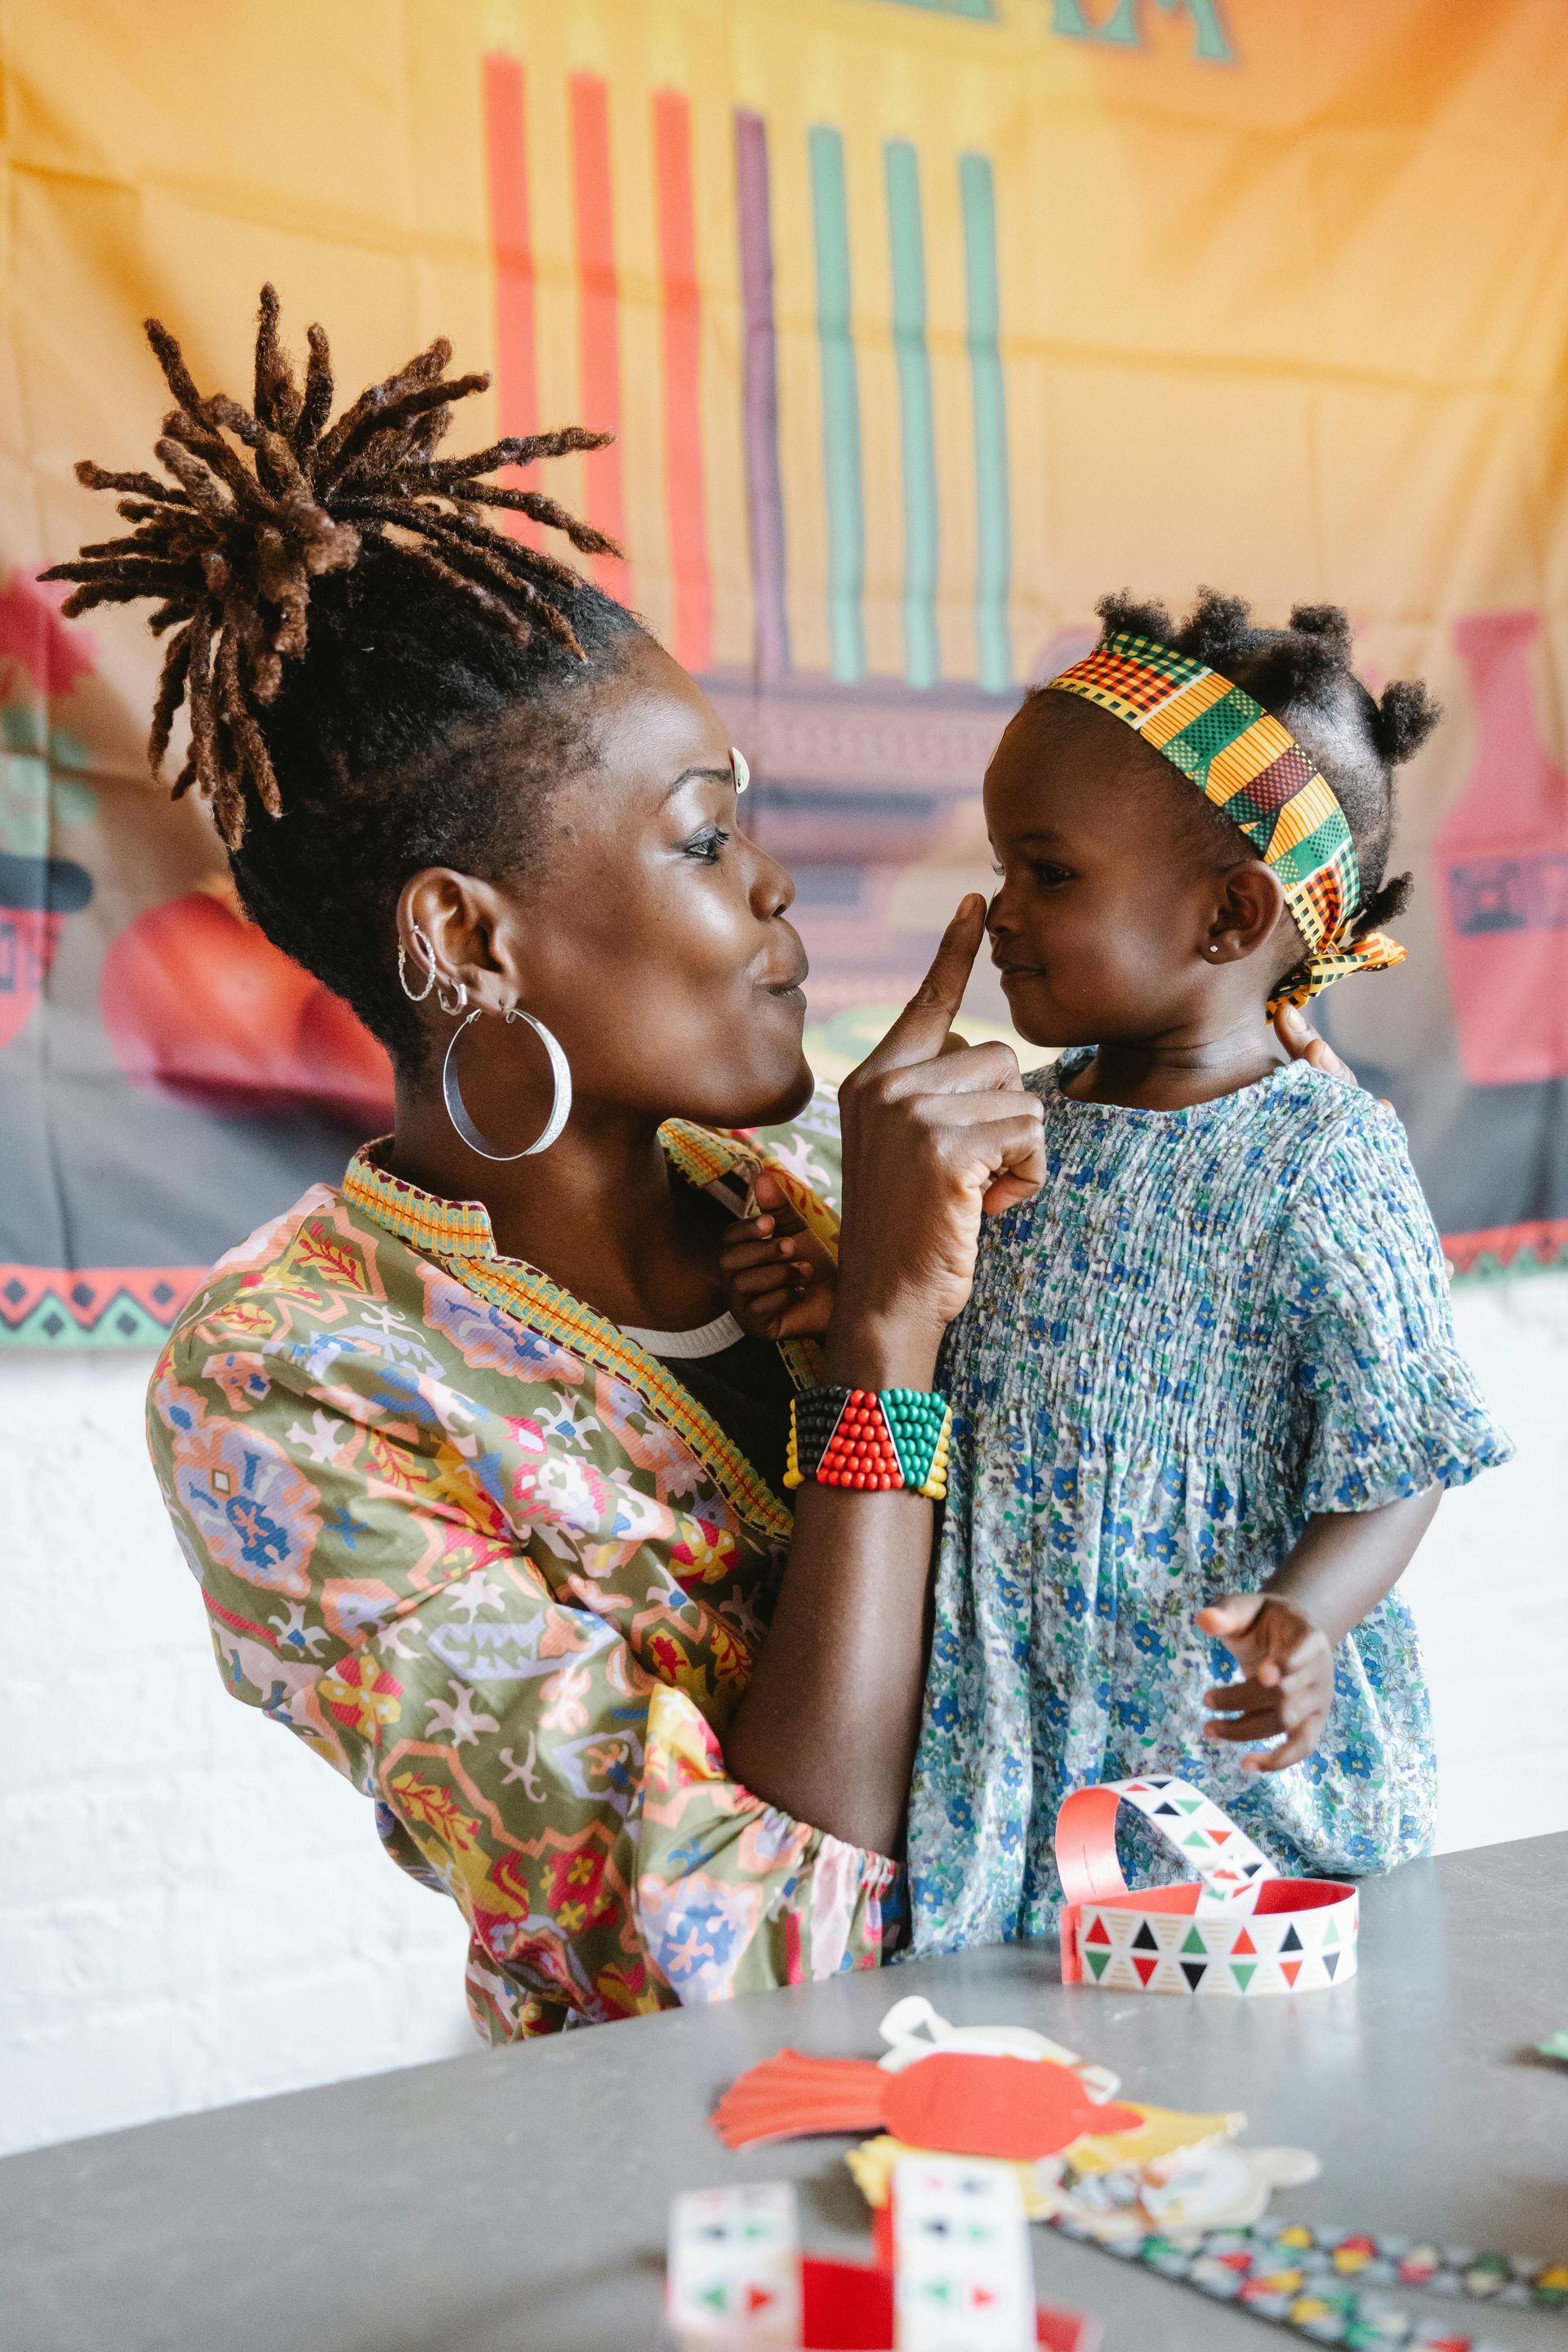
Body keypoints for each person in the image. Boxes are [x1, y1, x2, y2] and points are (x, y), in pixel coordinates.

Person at [45, 288, 1061, 2040]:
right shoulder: (295, 1388)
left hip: (1125, 2074)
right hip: (727, 2191)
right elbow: (742, 1956)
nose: (773, 886)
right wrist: (886, 1349)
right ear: (468, 937)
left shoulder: (827, 1183)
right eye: (703, 834)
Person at [728, 592, 1512, 1958]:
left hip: (1219, 1769)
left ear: (1229, 915)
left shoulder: (1322, 1157)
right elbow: (981, 1352)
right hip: (1018, 1743)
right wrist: (840, 1292)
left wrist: (1304, 1623)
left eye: (1051, 873)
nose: (999, 910)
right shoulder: (1019, 1120)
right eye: (1002, 865)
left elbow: (1406, 1452)